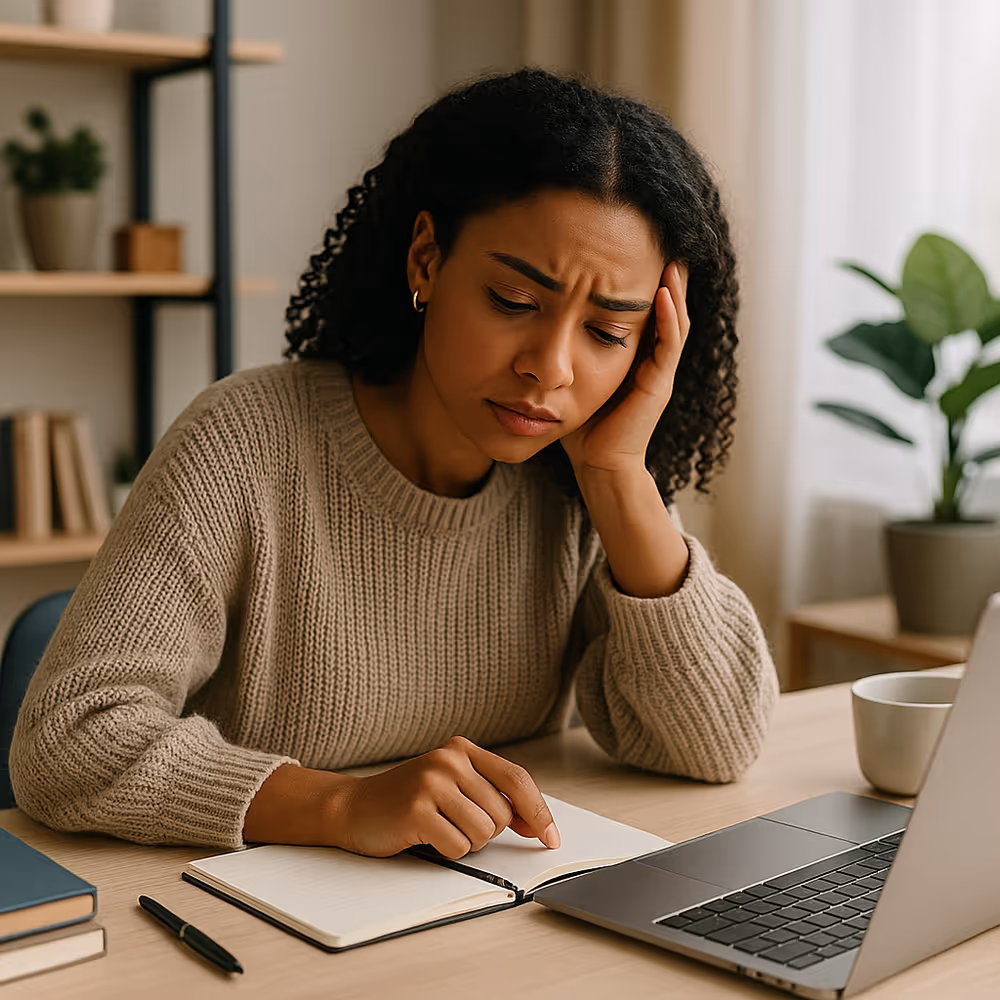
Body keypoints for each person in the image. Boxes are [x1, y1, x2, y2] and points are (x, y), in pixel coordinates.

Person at [11, 69, 777, 860]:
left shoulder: (582, 474)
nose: (551, 368)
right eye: (515, 301)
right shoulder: (244, 444)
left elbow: (717, 745)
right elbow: (66, 742)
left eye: (608, 333)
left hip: (485, 931)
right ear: (426, 261)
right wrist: (340, 804)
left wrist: (621, 478)